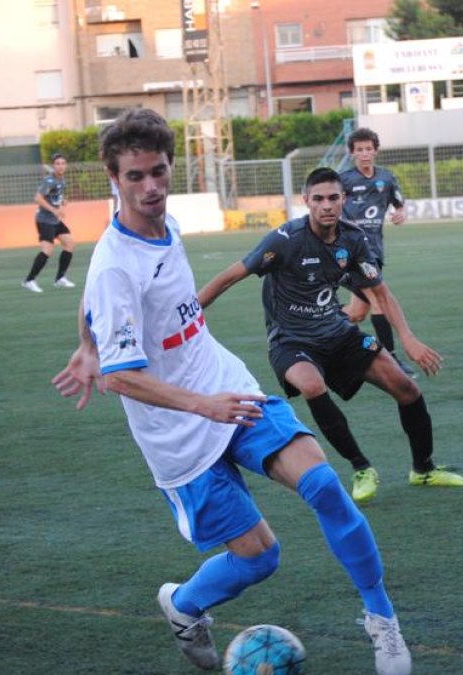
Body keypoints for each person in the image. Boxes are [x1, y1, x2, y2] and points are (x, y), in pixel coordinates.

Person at [50, 109, 412, 675]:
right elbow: (119, 376)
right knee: (260, 558)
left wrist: (88, 341)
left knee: (324, 485)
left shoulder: (162, 224)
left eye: (158, 172)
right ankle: (184, 604)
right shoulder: (114, 267)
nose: (150, 187)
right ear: (113, 179)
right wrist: (197, 403)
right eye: (135, 177)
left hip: (224, 386)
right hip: (178, 433)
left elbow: (95, 307)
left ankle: (382, 621)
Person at [197, 167, 463, 506]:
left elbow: (380, 293)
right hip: (291, 340)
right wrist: (188, 315)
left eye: (333, 198)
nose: (326, 205)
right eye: (318, 199)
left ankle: (423, 469)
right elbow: (228, 277)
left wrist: (408, 339)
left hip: (338, 332)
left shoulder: (353, 239)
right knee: (312, 385)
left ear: (344, 199)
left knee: (407, 389)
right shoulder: (285, 240)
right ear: (306, 201)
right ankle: (361, 468)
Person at [338, 127, 417, 377]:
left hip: (374, 251)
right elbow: (328, 206)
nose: (364, 153)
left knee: (356, 313)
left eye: (368, 149)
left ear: (376, 151)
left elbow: (399, 204)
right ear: (352, 153)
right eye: (359, 150)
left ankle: (317, 322)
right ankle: (391, 359)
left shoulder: (386, 178)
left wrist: (401, 213)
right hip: (350, 252)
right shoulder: (344, 181)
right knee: (379, 300)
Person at [22, 153, 76, 292]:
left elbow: (59, 198)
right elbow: (38, 198)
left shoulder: (62, 180)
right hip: (44, 220)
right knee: (47, 249)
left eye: (63, 163)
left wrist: (62, 206)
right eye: (58, 164)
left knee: (69, 243)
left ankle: (60, 278)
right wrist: (54, 210)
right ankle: (29, 280)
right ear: (53, 166)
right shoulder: (49, 180)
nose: (60, 166)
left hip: (55, 220)